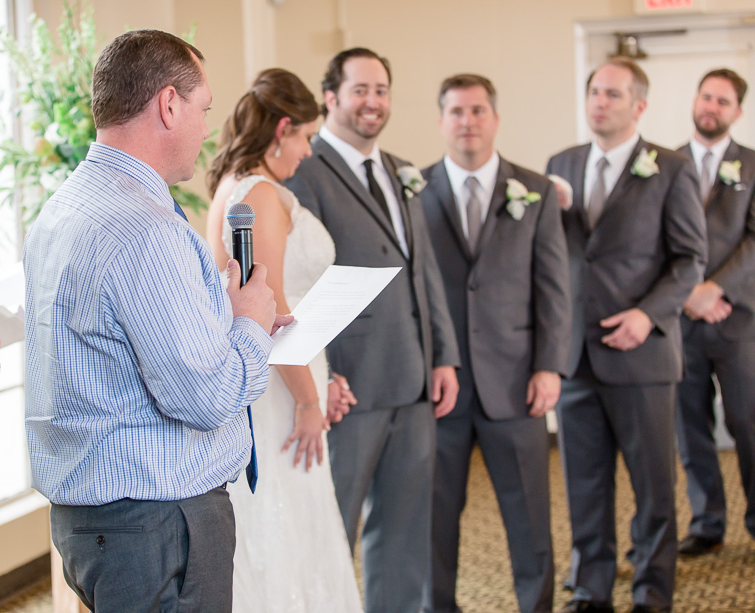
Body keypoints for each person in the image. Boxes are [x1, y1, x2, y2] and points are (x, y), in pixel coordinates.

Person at [24, 30, 284, 612]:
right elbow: (206, 397)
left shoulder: (64, 206)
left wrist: (212, 308)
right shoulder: (143, 228)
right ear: (169, 104)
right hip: (160, 523)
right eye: (203, 109)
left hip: (99, 522)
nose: (206, 128)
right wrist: (249, 326)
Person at [286, 48, 460, 613]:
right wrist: (323, 379)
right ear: (331, 98)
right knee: (332, 531)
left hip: (412, 377)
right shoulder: (303, 172)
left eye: (381, 90)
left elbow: (423, 270)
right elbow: (300, 282)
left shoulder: (399, 169)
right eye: (360, 90)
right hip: (348, 387)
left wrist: (443, 356)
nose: (373, 102)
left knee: (405, 531)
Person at [546, 57, 707, 613]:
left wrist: (648, 315)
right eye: (594, 91)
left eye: (613, 94)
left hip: (642, 355)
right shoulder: (561, 163)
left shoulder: (671, 168)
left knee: (652, 487)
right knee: (585, 487)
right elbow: (559, 255)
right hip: (574, 357)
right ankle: (591, 589)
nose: (600, 102)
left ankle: (652, 593)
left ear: (638, 105)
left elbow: (690, 259)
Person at [205, 67, 363, 613]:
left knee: (281, 521)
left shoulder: (232, 186)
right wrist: (309, 400)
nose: (307, 152)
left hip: (284, 375)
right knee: (289, 519)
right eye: (306, 138)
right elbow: (272, 314)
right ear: (283, 129)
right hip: (279, 388)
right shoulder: (261, 196)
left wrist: (324, 377)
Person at [420, 74, 570, 613]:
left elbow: (554, 286)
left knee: (530, 515)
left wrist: (550, 365)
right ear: (441, 121)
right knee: (436, 517)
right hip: (442, 385)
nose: (468, 121)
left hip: (516, 380)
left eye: (478, 110)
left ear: (495, 119)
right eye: (456, 111)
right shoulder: (415, 191)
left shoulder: (534, 190)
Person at [674, 68, 755, 555]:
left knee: (748, 421)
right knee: (690, 422)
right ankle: (707, 522)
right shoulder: (664, 163)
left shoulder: (753, 165)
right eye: (707, 97)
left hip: (736, 315)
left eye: (723, 102)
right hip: (679, 318)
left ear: (737, 113)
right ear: (695, 100)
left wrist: (716, 289)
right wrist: (687, 294)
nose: (711, 107)